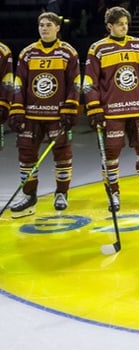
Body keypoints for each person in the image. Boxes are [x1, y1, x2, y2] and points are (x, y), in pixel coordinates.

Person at [82, 7, 139, 213]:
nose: (124, 26)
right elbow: (89, 83)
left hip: (138, 111)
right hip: (112, 113)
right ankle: (113, 195)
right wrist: (94, 109)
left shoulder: (138, 45)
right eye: (119, 23)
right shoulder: (98, 48)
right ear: (109, 26)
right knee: (111, 157)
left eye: (125, 23)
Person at [6, 13, 81, 216]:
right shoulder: (28, 54)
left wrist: (70, 109)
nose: (44, 28)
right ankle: (29, 196)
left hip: (57, 116)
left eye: (48, 25)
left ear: (58, 28)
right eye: (41, 25)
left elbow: (75, 83)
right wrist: (17, 111)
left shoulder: (68, 53)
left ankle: (61, 194)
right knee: (26, 156)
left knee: (63, 156)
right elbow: (18, 84)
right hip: (31, 116)